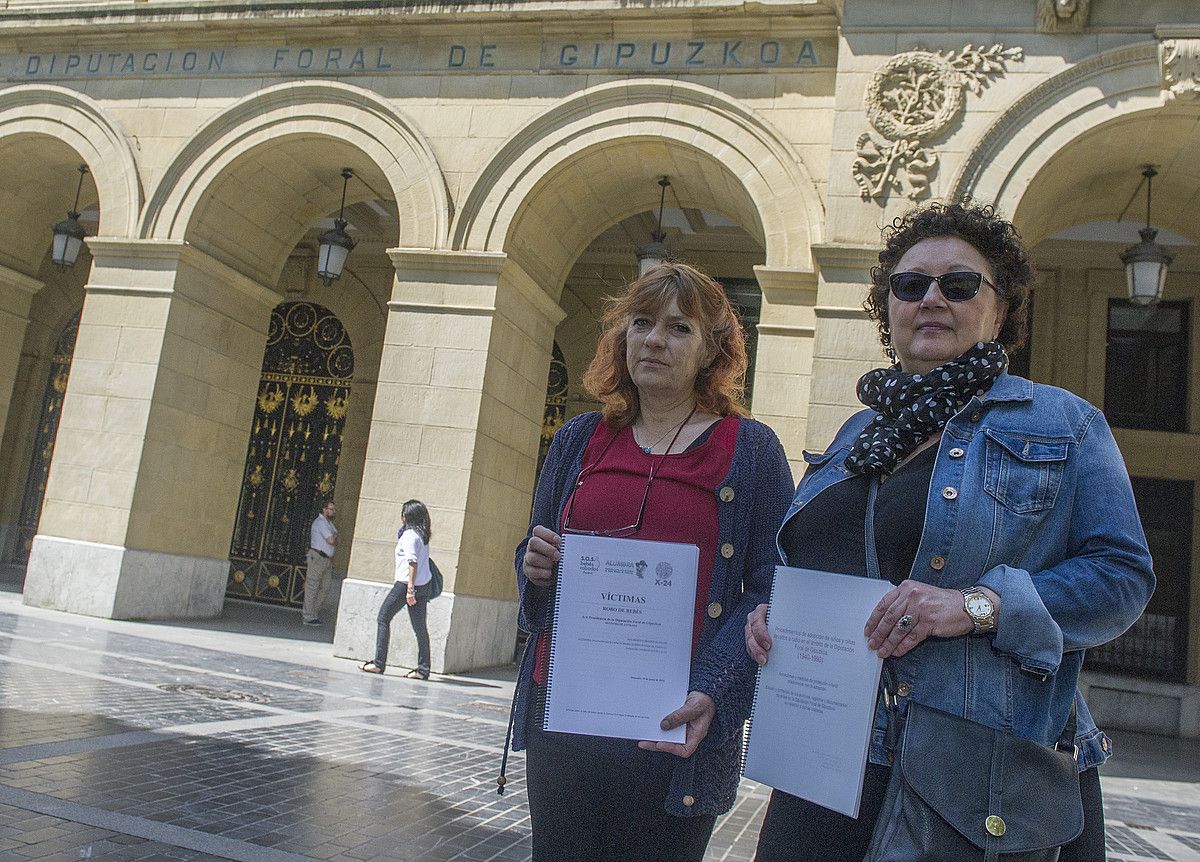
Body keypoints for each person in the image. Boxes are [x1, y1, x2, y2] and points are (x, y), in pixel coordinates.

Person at [744, 201, 1155, 862]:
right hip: (822, 753)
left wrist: (976, 606)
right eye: (910, 285)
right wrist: (777, 620)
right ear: (889, 309)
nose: (931, 298)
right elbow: (818, 567)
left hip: (970, 774)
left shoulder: (1061, 422)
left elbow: (1122, 577)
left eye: (959, 284)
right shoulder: (855, 437)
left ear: (1000, 309)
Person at [504, 262, 795, 862]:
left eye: (679, 327)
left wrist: (714, 688)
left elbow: (771, 587)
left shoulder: (753, 450)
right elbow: (536, 553)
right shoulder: (578, 438)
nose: (654, 340)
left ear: (714, 349)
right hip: (568, 715)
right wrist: (533, 565)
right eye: (641, 323)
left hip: (674, 724)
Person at [360, 500, 434, 680]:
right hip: (424, 585)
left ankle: (378, 663)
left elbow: (412, 562)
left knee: (383, 617)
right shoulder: (421, 535)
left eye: (403, 513)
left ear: (407, 516)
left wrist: (409, 590)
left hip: (405, 585)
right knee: (420, 628)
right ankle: (423, 669)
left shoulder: (409, 535)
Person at [302, 499, 337, 626]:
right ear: (324, 509)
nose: (333, 512)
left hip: (327, 560)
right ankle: (308, 616)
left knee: (325, 587)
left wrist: (334, 538)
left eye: (334, 509)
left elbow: (335, 537)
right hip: (317, 558)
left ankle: (314, 613)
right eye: (331, 509)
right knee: (312, 587)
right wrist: (334, 538)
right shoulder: (321, 523)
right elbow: (332, 540)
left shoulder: (329, 524)